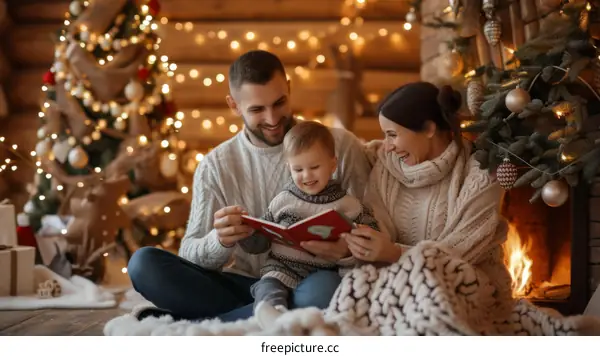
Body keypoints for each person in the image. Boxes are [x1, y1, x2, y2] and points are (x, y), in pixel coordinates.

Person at [126, 50, 373, 322]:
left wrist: (347, 251)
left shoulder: (341, 145)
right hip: (247, 285)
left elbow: (374, 228)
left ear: (289, 88)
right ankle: (264, 316)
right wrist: (219, 240)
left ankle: (217, 321)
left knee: (324, 292)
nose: (272, 119)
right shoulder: (215, 165)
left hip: (311, 282)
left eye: (279, 103)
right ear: (234, 105)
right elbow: (190, 254)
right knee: (144, 264)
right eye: (256, 109)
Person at [340, 82, 513, 302]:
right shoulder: (386, 167)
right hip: (396, 281)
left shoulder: (481, 170)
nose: (388, 146)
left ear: (429, 129)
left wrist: (394, 253)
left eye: (392, 134)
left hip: (463, 284)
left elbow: (462, 251)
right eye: (384, 135)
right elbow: (378, 229)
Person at [237, 121, 379, 326]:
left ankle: (291, 320)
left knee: (328, 291)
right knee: (267, 285)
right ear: (289, 168)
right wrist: (248, 232)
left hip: (324, 273)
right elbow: (261, 242)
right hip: (282, 267)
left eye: (314, 167)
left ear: (332, 165)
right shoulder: (282, 201)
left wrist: (360, 234)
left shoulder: (348, 204)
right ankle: (273, 315)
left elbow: (372, 233)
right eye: (298, 169)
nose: (307, 175)